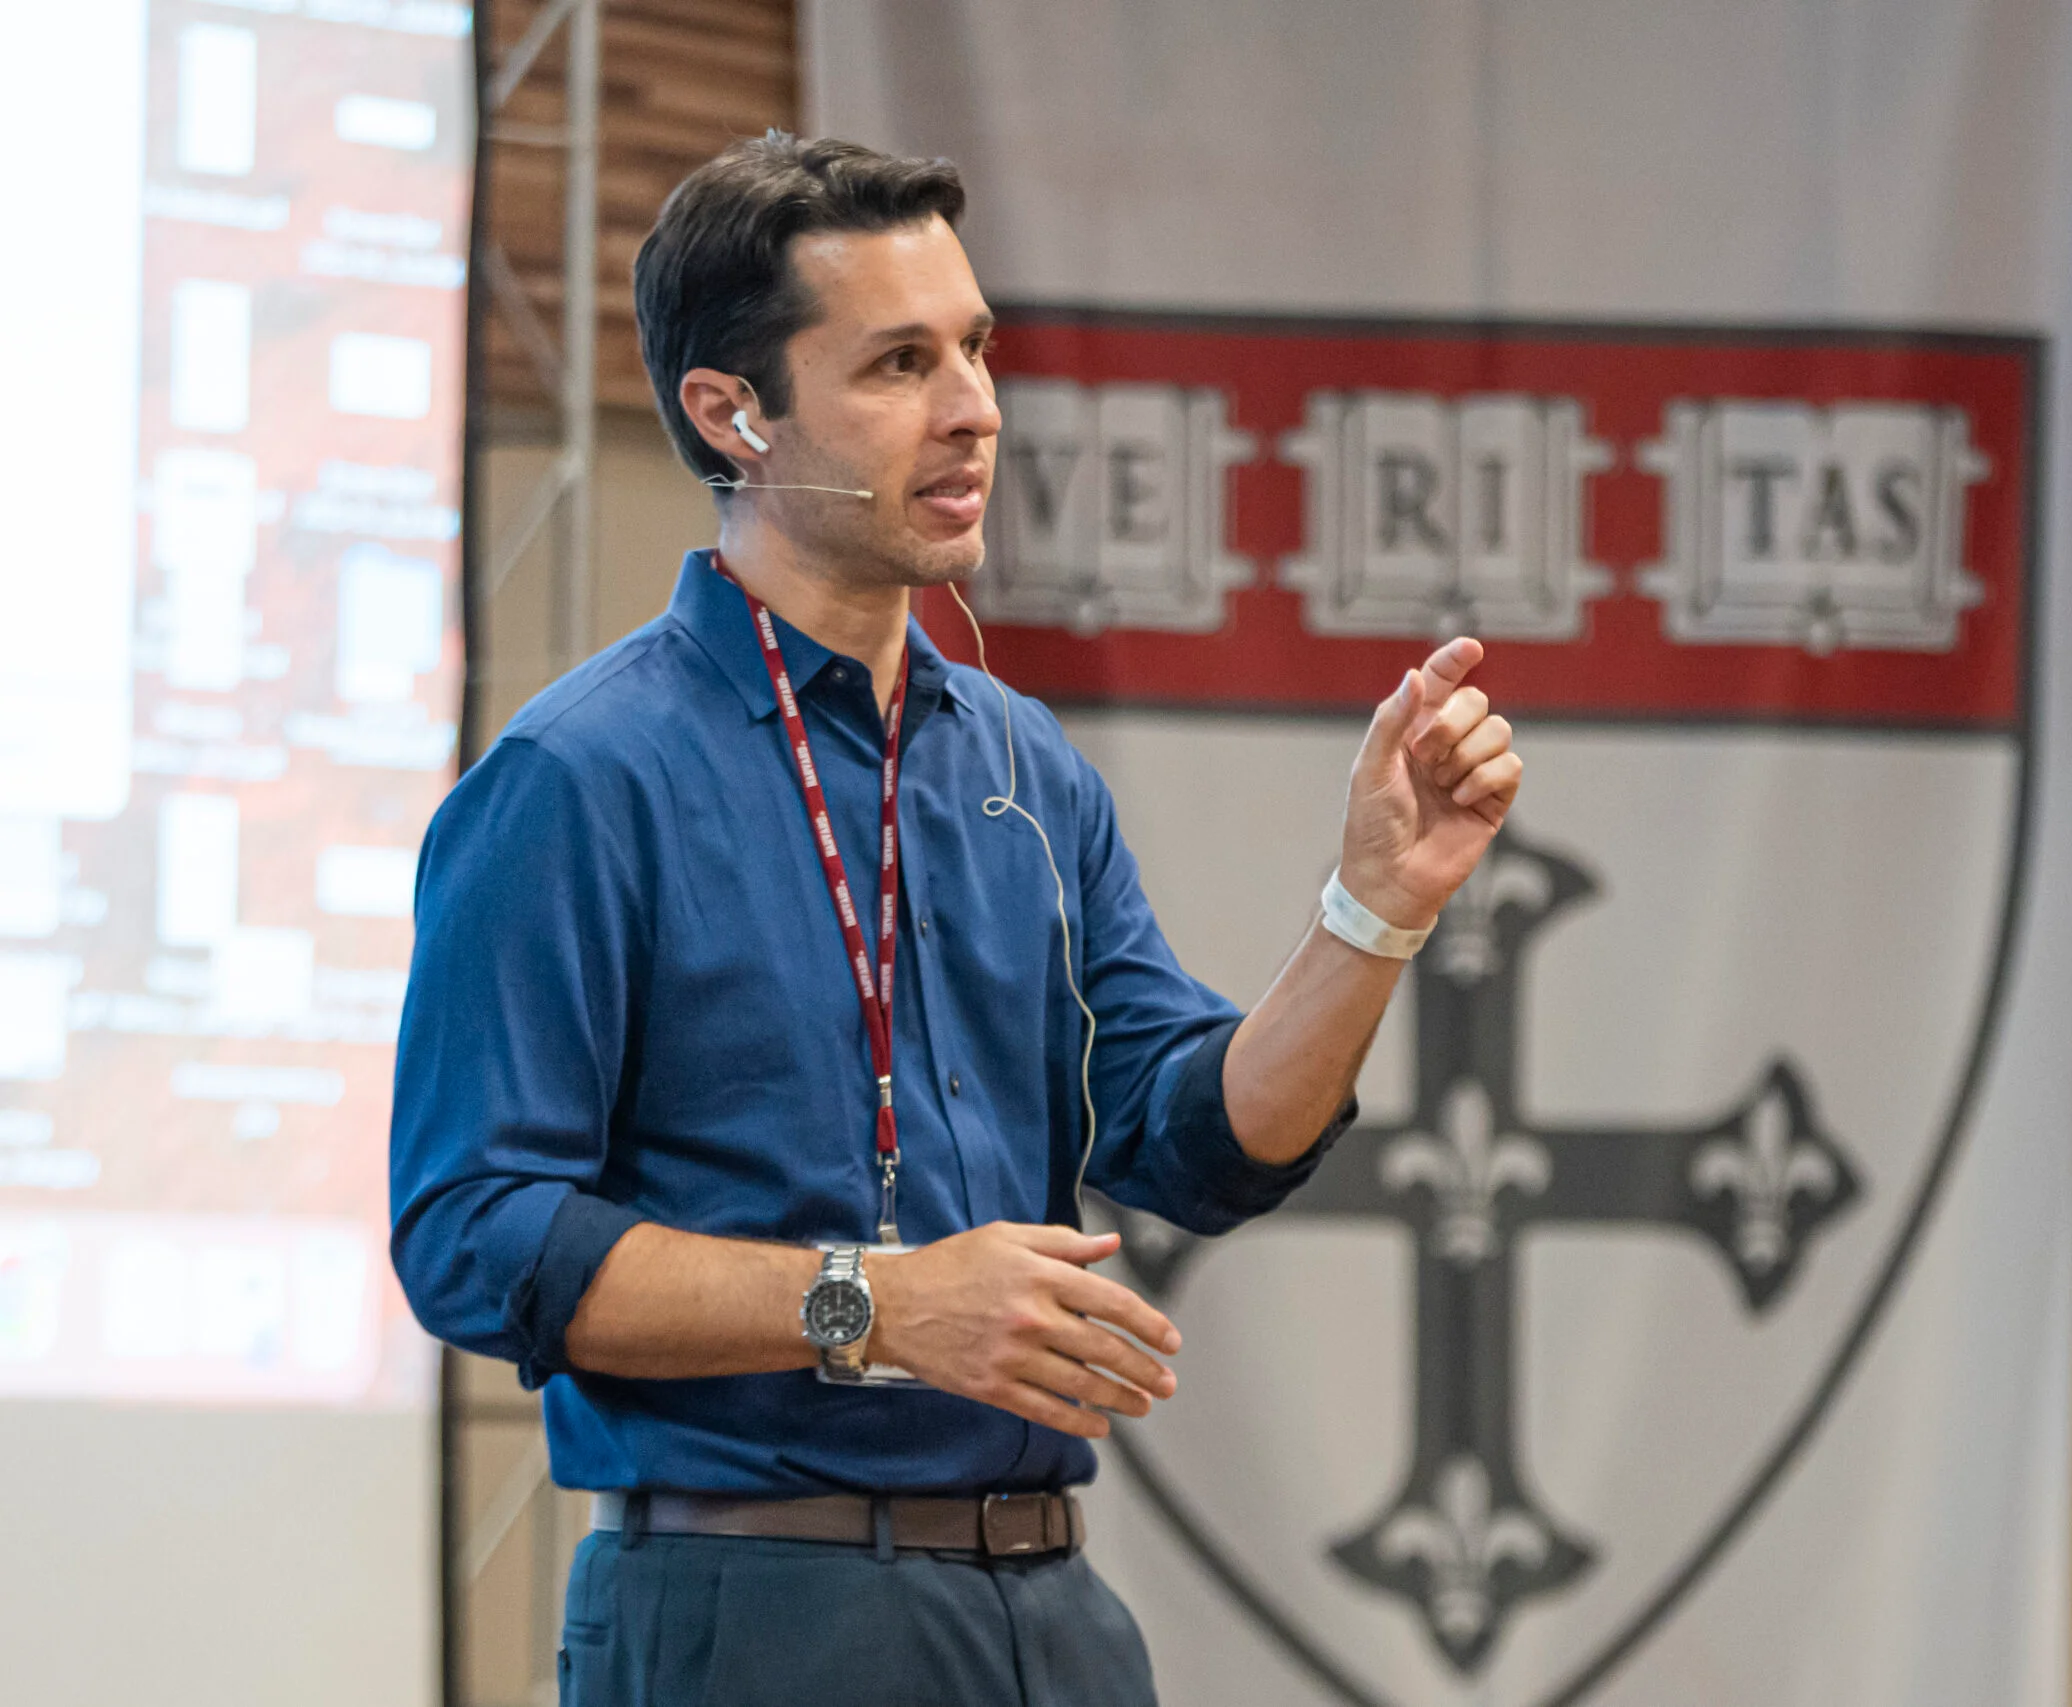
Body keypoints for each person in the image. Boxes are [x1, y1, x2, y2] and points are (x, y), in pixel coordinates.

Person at [389, 132, 1522, 1707]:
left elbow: (1202, 1135)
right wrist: (878, 1305)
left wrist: (1375, 910)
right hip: (753, 1601)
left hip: (1047, 1607)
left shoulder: (1020, 764)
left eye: (976, 347)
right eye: (900, 362)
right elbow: (472, 1234)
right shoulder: (580, 780)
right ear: (735, 414)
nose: (976, 407)